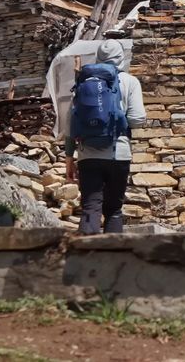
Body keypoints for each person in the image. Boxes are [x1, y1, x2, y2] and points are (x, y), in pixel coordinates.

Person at [61, 41, 145, 234]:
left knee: (90, 207)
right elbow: (137, 119)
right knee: (114, 210)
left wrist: (69, 161)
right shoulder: (130, 82)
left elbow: (70, 125)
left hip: (88, 155)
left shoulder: (83, 83)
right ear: (121, 58)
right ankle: (114, 259)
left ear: (98, 58)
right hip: (119, 153)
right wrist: (117, 121)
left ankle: (84, 257)